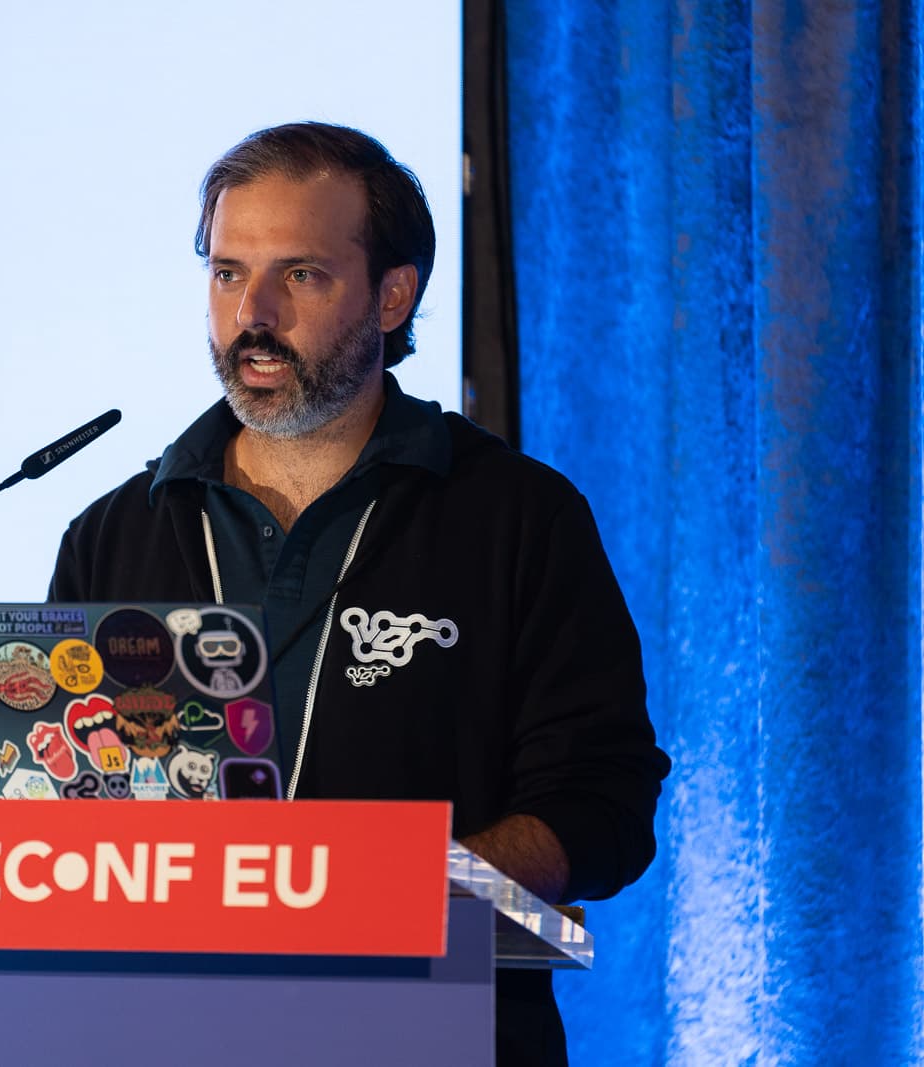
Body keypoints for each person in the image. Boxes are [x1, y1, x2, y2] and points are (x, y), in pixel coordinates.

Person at [46, 121, 670, 1064]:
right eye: (226, 273)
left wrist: (410, 888)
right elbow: (70, 813)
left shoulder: (518, 516)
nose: (252, 311)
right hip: (165, 1034)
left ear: (392, 296)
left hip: (438, 1029)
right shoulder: (113, 533)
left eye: (299, 274)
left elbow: (605, 801)